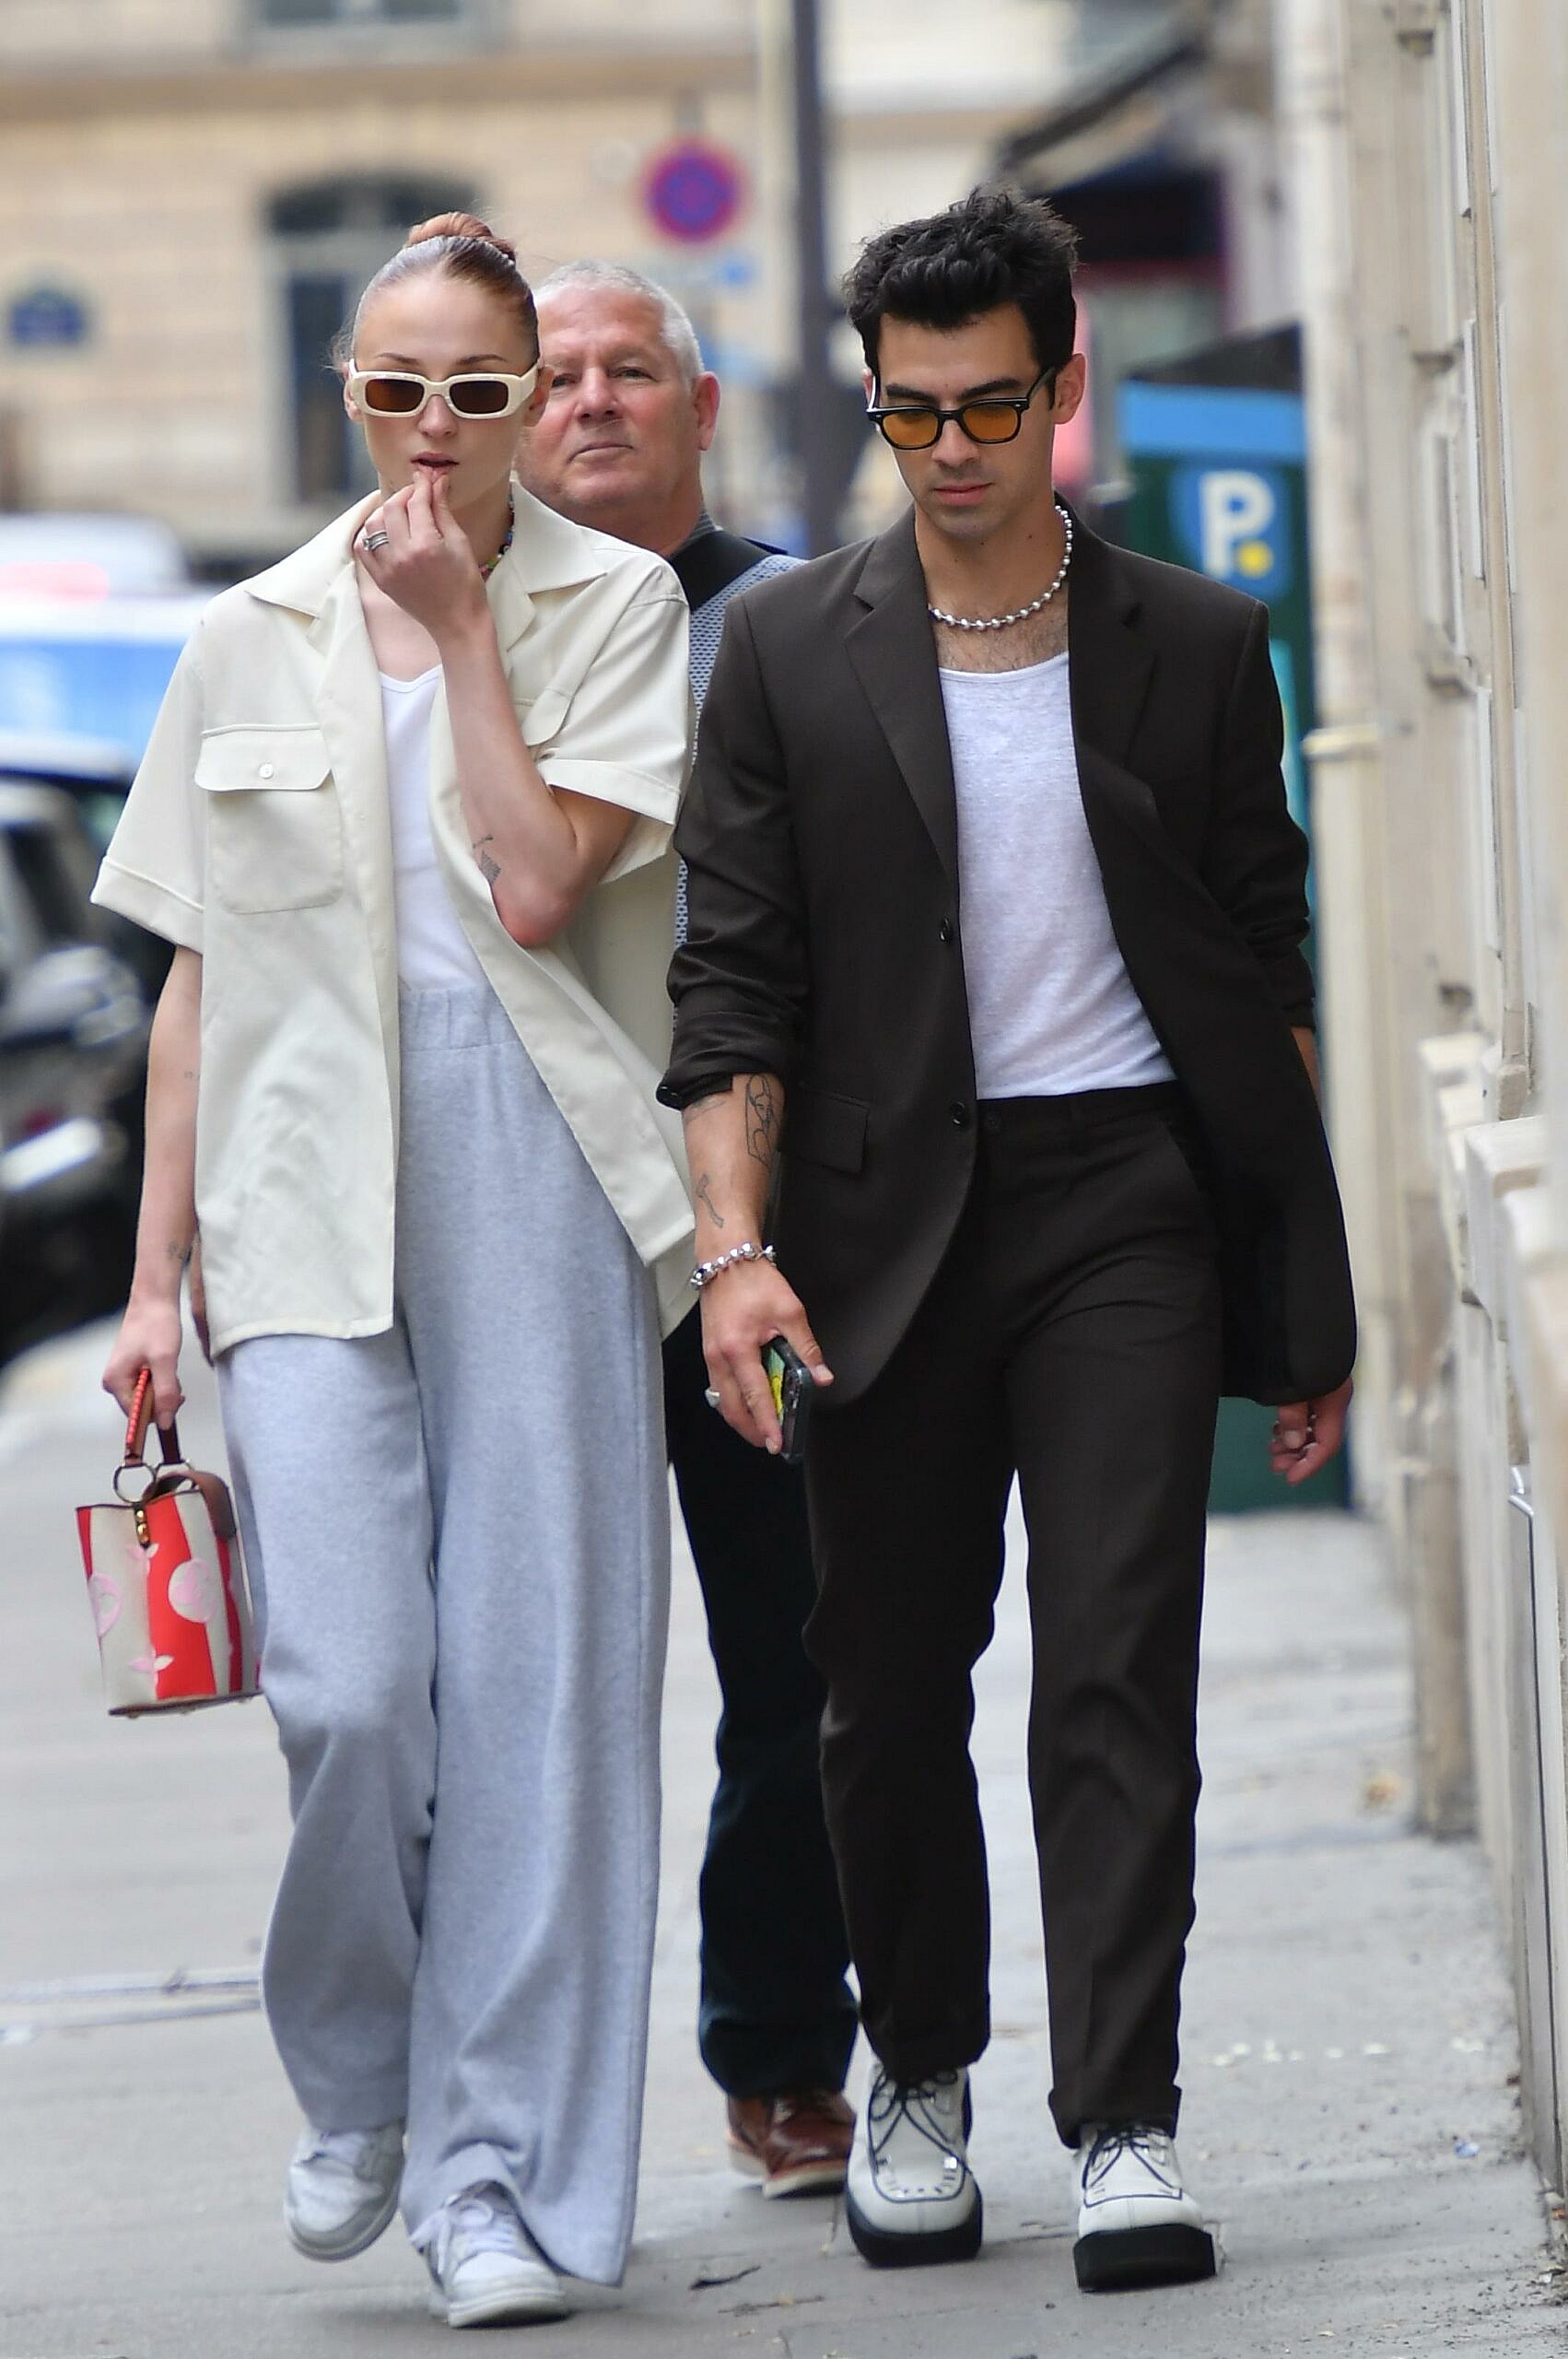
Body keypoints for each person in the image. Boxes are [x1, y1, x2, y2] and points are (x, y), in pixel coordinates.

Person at [661, 187, 1356, 2291]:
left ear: (1064, 388)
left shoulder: (1193, 642)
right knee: (879, 1679)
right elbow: (731, 981)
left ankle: (1126, 2115)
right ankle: (920, 2071)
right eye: (905, 417)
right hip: (873, 1225)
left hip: (1118, 1199)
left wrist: (1294, 1287)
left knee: (1117, 1657)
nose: (947, 453)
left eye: (985, 409)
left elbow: (1263, 971)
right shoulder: (785, 645)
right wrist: (734, 1250)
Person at [95, 213, 694, 2330]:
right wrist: (155, 1286)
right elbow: (194, 979)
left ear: (534, 402)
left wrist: (456, 641)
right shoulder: (243, 630)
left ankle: (493, 2183)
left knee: (538, 1698)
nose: (433, 431)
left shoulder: (613, 608)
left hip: (531, 1153)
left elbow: (541, 889)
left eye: (478, 391)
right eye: (394, 390)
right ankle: (359, 2068)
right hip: (291, 1177)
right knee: (349, 1687)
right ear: (341, 394)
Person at [517, 260, 857, 2199]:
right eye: (543, 373)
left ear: (700, 402)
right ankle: (507, 2104)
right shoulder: (445, 621)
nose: (586, 402)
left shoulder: (797, 618)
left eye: (626, 369)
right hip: (534, 1231)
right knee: (526, 1680)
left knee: (802, 1643)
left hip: (758, 1237)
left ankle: (783, 2043)